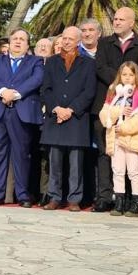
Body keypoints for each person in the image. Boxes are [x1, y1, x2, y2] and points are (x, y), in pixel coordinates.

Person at [93, 7, 138, 212]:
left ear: (131, 23)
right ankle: (107, 197)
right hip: (108, 103)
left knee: (132, 163)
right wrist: (118, 83)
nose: (116, 22)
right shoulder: (104, 43)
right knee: (106, 156)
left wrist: (128, 85)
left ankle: (134, 201)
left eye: (121, 19)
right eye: (115, 18)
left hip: (134, 106)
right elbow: (99, 67)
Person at [0, 28, 43, 208]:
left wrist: (15, 94)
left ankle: (23, 195)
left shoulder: (35, 61)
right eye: (15, 39)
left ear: (27, 44)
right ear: (9, 43)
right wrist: (3, 92)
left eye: (22, 39)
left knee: (21, 155)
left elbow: (36, 80)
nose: (18, 42)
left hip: (21, 112)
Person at [40, 26, 96, 212]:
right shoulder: (52, 62)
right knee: (54, 162)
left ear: (78, 41)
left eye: (70, 39)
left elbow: (89, 92)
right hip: (55, 118)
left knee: (75, 164)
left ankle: (74, 199)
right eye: (64, 38)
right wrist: (57, 108)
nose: (66, 42)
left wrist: (71, 110)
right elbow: (45, 89)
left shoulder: (87, 63)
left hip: (76, 119)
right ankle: (54, 197)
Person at [98, 62, 138, 216]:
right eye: (124, 74)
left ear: (136, 76)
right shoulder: (114, 92)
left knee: (133, 171)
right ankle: (119, 202)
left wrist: (124, 128)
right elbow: (103, 115)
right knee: (117, 170)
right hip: (116, 138)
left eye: (130, 75)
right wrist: (118, 110)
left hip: (132, 139)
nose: (127, 78)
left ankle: (136, 203)